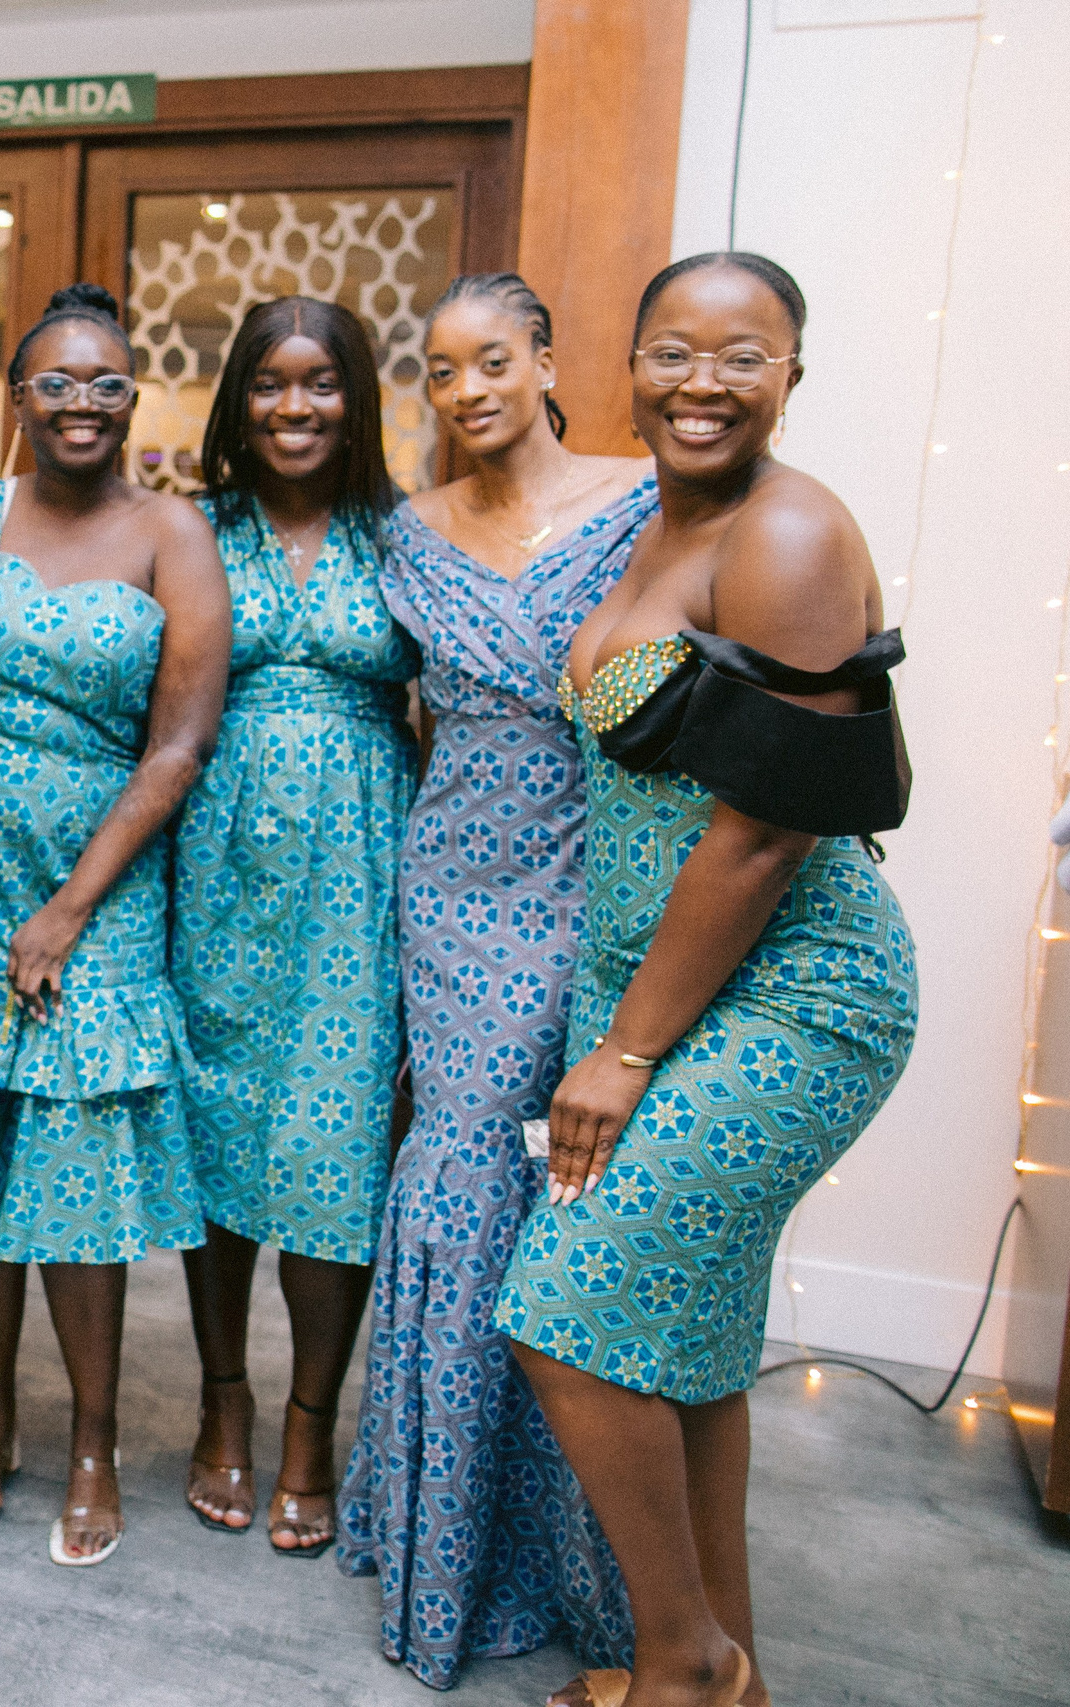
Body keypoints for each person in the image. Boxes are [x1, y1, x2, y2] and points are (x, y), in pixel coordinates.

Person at [501, 253, 914, 1707]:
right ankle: (734, 1665)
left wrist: (621, 1050)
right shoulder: (657, 526)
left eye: (745, 356)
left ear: (794, 373)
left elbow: (762, 834)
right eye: (675, 351)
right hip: (672, 979)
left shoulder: (788, 533)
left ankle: (679, 1665)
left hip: (794, 989)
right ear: (631, 361)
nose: (704, 382)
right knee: (686, 1340)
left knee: (562, 1307)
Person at [0, 284, 228, 1568]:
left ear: (133, 397)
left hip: (102, 876)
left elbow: (181, 742)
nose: (81, 403)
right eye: (55, 383)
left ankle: (88, 1439)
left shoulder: (172, 533)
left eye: (105, 383)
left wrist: (72, 907)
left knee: (74, 1176)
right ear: (15, 399)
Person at [338, 273, 652, 1687]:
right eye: (441, 371)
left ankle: (592, 1552)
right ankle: (445, 1543)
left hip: (611, 868)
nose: (465, 390)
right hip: (456, 882)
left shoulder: (646, 501)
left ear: (544, 357)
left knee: (581, 1192)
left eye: (490, 361)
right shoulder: (407, 536)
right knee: (465, 1172)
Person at [174, 295, 415, 1557]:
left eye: (320, 383)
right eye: (268, 383)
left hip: (359, 876)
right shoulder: (194, 528)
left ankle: (313, 1423)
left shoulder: (407, 536)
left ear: (356, 396)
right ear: (238, 399)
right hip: (211, 862)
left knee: (336, 1160)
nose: (294, 407)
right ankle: (225, 1401)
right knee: (215, 1153)